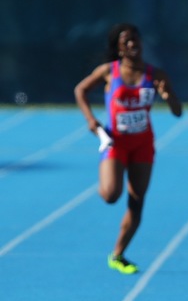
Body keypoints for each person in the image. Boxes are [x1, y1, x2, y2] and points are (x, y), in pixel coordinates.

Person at [74, 23, 182, 274]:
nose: (133, 44)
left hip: (143, 144)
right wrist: (91, 120)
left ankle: (118, 254)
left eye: (135, 39)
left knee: (137, 200)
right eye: (126, 42)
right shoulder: (108, 71)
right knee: (111, 195)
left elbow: (178, 112)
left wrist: (169, 97)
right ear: (119, 49)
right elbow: (80, 90)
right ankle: (106, 173)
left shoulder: (156, 75)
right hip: (116, 142)